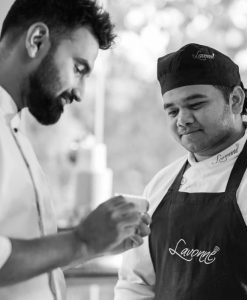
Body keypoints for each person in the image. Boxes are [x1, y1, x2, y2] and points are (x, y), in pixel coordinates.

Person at [0, 0, 151, 299]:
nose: (80, 93)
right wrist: (81, 241)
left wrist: (95, 243)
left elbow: (15, 248)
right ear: (37, 41)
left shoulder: (13, 129)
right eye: (79, 68)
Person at [114, 43, 247, 300]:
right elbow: (136, 284)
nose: (183, 119)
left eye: (196, 104)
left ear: (235, 100)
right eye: (172, 110)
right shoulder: (158, 187)